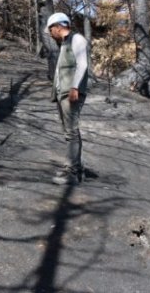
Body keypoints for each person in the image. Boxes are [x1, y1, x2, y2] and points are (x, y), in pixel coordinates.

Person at [46, 12, 89, 185]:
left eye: (50, 30)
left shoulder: (77, 39)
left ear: (58, 26)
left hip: (71, 92)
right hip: (63, 93)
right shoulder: (64, 44)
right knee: (69, 131)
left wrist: (74, 87)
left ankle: (72, 172)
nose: (50, 34)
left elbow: (83, 64)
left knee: (71, 131)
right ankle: (74, 167)